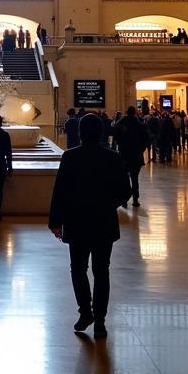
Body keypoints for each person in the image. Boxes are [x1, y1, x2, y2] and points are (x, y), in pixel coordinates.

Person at [48, 113, 132, 338]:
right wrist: (108, 204)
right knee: (101, 271)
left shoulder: (70, 157)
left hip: (77, 222)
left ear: (79, 132)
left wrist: (55, 221)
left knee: (78, 270)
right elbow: (126, 190)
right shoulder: (112, 157)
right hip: (104, 222)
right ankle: (100, 321)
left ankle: (85, 311)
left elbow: (60, 191)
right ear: (102, 132)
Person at [113, 106, 145, 207]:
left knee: (124, 178)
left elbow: (115, 137)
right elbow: (146, 139)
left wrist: (121, 145)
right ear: (135, 112)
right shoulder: (140, 124)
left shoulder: (120, 123)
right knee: (135, 178)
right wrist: (141, 149)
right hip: (136, 155)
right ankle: (135, 199)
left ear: (126, 112)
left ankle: (124, 200)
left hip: (124, 154)